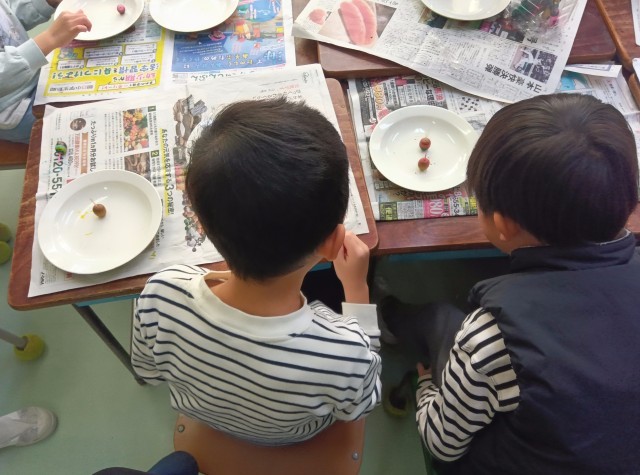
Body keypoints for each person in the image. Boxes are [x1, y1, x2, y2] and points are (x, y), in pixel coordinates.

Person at [382, 93, 640, 474]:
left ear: (502, 225)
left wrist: (426, 391)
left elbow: (442, 442)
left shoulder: (489, 338)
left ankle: (388, 319)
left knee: (440, 319)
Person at [131, 98, 381, 446]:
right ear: (333, 243)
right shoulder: (344, 350)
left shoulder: (161, 293)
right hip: (294, 437)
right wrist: (357, 289)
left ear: (200, 224)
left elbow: (148, 371)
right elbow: (362, 404)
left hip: (206, 419)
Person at [0, 0, 91, 143]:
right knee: (90, 121)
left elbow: (8, 14)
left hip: (36, 70)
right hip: (15, 108)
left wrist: (44, 2)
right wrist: (49, 38)